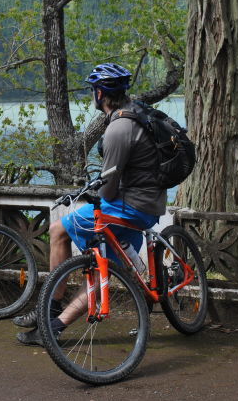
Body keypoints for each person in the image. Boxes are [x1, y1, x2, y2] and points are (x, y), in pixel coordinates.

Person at [14, 63, 167, 345]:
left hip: (128, 206)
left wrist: (91, 192)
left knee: (58, 230)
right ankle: (54, 327)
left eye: (93, 90)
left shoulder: (118, 129)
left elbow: (108, 190)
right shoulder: (136, 113)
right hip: (149, 206)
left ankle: (51, 305)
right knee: (108, 265)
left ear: (100, 93)